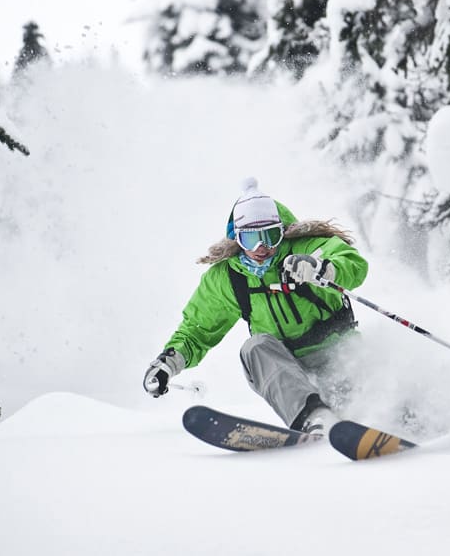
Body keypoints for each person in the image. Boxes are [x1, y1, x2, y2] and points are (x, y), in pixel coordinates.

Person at [142, 178, 369, 438]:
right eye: (251, 239)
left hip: (339, 354)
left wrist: (322, 269)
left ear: (281, 231)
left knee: (368, 402)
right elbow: (197, 329)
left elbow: (352, 263)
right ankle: (315, 419)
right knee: (254, 347)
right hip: (287, 372)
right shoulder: (228, 278)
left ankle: (403, 420)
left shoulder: (306, 247)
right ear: (237, 239)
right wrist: (167, 364)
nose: (262, 247)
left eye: (270, 236)